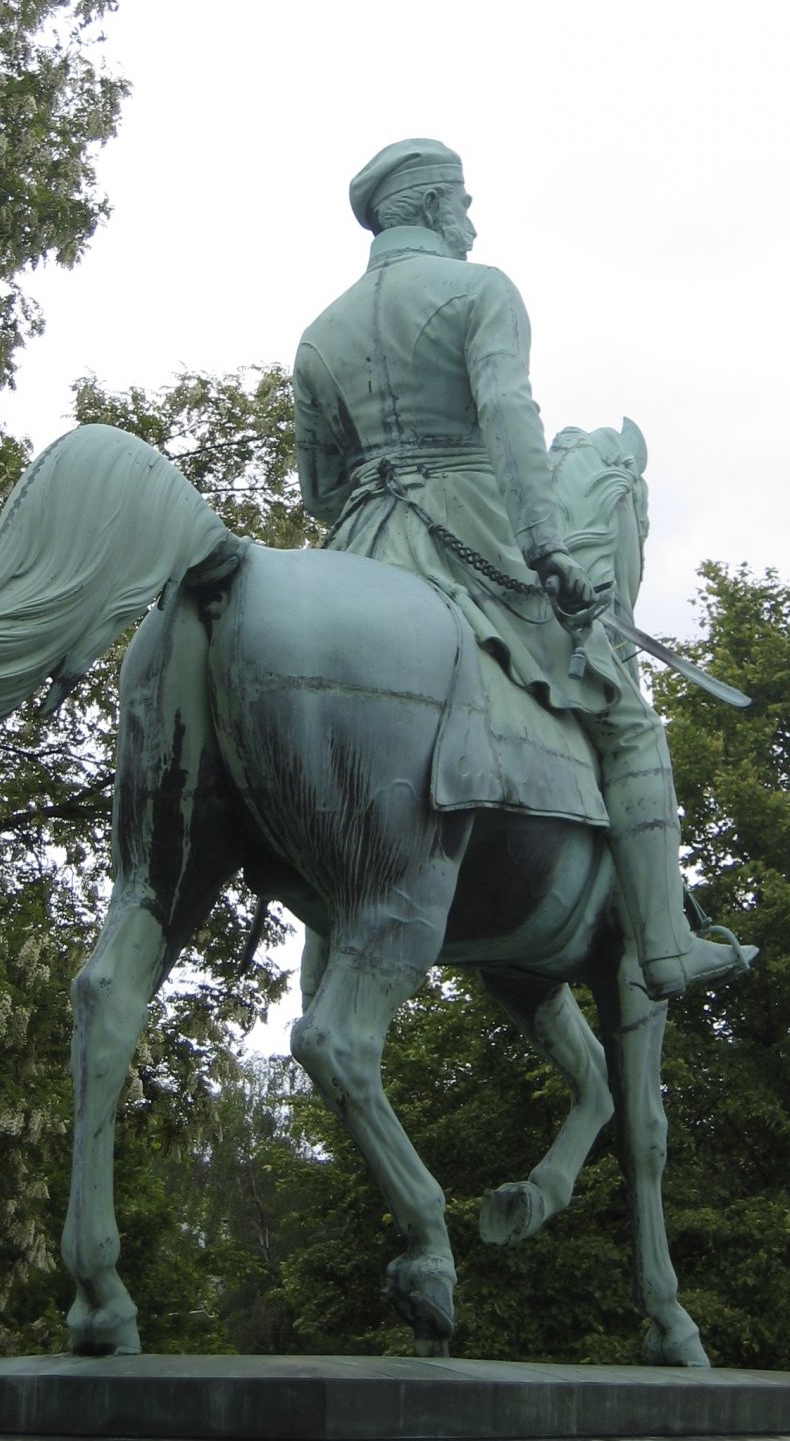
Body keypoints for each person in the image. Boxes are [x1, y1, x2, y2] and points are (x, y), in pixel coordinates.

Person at [293, 138, 754, 1000]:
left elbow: (320, 489)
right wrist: (545, 549)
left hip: (358, 546)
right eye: (463, 202)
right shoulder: (480, 291)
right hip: (473, 533)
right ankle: (667, 946)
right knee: (626, 720)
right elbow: (510, 416)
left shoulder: (319, 335)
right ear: (433, 206)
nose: (472, 220)